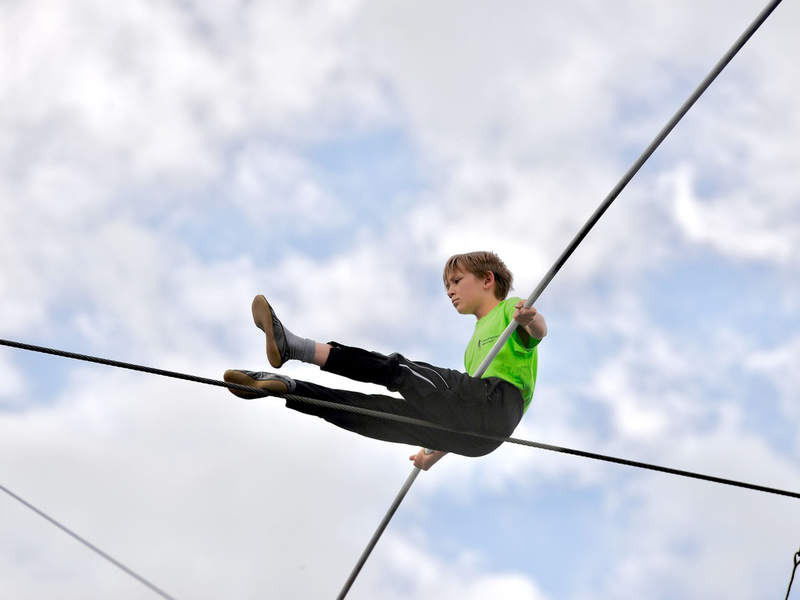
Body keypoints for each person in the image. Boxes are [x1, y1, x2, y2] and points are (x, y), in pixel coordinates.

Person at [224, 251, 547, 470]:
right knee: (376, 415)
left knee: (398, 370)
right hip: (479, 437)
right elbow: (459, 408)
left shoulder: (509, 310)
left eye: (457, 281)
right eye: (447, 286)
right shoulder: (471, 348)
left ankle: (295, 347)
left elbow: (538, 331)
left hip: (499, 403)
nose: (450, 291)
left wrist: (528, 318)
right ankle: (291, 389)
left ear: (487, 280)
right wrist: (432, 456)